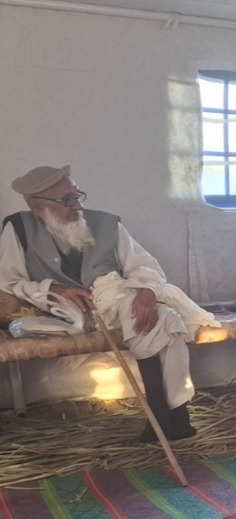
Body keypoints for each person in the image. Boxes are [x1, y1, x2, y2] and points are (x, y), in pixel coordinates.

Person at [0, 165, 217, 441]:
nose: (77, 205)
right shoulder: (17, 227)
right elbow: (7, 281)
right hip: (63, 313)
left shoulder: (106, 223)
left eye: (77, 195)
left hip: (114, 303)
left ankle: (162, 419)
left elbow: (144, 265)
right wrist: (51, 287)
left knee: (160, 317)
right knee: (163, 320)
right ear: (36, 206)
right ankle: (173, 416)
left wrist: (148, 294)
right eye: (66, 200)